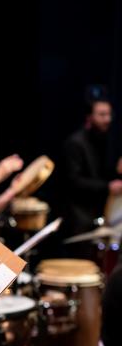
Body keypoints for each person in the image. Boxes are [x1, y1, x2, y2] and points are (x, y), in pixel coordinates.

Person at [61, 86, 122, 252]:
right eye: (102, 115)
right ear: (89, 117)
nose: (107, 119)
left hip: (101, 213)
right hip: (80, 217)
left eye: (109, 114)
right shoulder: (75, 143)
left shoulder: (107, 140)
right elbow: (73, 181)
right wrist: (107, 186)